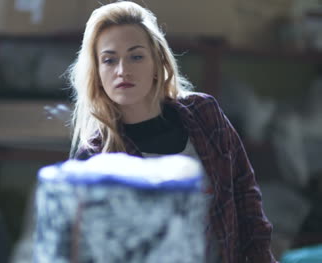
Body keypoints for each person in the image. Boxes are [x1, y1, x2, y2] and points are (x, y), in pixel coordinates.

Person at [67, 1, 276, 262]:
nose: (122, 71)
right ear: (97, 73)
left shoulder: (204, 114)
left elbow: (245, 196)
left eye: (136, 56)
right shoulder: (95, 158)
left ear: (157, 62)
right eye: (109, 60)